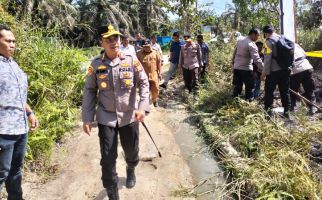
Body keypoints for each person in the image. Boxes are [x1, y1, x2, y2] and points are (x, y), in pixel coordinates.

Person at [82, 24, 150, 200]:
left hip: (129, 117)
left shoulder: (131, 59)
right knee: (107, 159)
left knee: (132, 152)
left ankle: (131, 168)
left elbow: (143, 82)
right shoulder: (96, 65)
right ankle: (113, 194)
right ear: (101, 43)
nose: (114, 42)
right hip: (106, 119)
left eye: (116, 38)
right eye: (109, 39)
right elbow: (89, 91)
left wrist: (142, 107)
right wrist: (87, 118)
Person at [0, 24, 39, 200]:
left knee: (16, 171)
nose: (13, 44)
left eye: (14, 41)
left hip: (20, 129)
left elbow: (18, 96)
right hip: (4, 132)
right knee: (2, 173)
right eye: (8, 40)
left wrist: (30, 114)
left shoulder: (14, 65)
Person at [262, 25, 291, 118]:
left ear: (266, 33)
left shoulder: (268, 42)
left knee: (269, 91)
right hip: (285, 70)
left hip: (273, 72)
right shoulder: (283, 38)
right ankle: (287, 113)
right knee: (285, 92)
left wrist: (264, 73)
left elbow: (267, 59)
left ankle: (268, 113)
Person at [231, 28, 264, 101]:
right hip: (246, 69)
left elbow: (235, 51)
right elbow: (257, 59)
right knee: (250, 88)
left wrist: (233, 61)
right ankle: (248, 103)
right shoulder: (251, 44)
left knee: (237, 87)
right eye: (257, 36)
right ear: (253, 34)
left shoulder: (240, 40)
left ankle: (234, 102)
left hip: (237, 68)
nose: (257, 38)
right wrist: (264, 69)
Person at [290, 43, 316, 114]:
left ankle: (292, 108)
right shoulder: (295, 44)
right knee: (309, 89)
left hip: (296, 70)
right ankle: (312, 108)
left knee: (293, 91)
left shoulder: (281, 46)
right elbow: (305, 54)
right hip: (307, 66)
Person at [137, 40, 162, 107]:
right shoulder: (139, 54)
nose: (147, 48)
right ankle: (145, 104)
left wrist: (160, 73)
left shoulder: (155, 52)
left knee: (156, 89)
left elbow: (159, 63)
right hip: (143, 76)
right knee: (144, 91)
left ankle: (154, 100)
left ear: (150, 45)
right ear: (142, 47)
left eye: (148, 46)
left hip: (154, 74)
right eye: (145, 47)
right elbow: (136, 65)